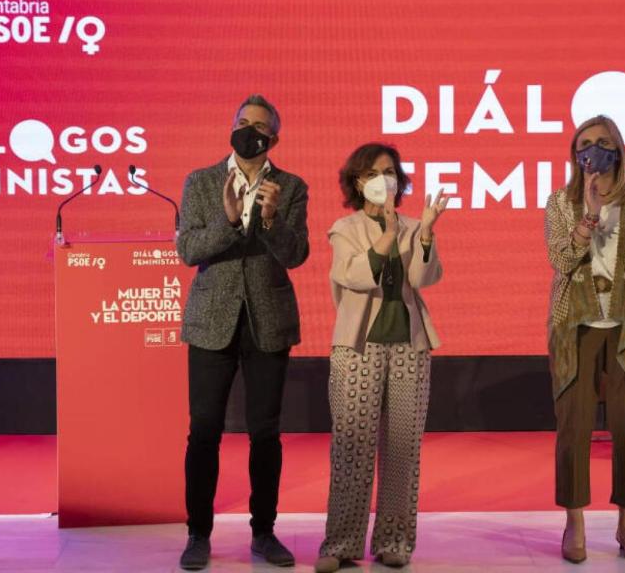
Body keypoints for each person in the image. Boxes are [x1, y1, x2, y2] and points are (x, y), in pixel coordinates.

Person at [176, 94, 309, 571]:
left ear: (273, 138)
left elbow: (296, 255)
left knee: (265, 433)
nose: (248, 129)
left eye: (259, 125)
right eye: (241, 122)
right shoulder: (202, 181)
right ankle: (197, 534)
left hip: (268, 322)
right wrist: (229, 220)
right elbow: (188, 249)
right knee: (204, 431)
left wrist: (271, 221)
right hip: (211, 320)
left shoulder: (290, 187)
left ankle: (265, 531)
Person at [314, 143, 448, 573]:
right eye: (372, 173)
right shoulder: (344, 227)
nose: (383, 179)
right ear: (357, 181)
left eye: (389, 171)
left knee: (402, 448)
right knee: (353, 446)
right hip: (358, 347)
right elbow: (352, 275)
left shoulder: (414, 226)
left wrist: (424, 233)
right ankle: (340, 543)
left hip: (409, 346)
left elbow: (423, 277)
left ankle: (394, 540)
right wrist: (388, 234)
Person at [545, 115, 625, 564]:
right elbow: (560, 258)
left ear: (618, 147)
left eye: (601, 142)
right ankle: (573, 523)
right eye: (583, 145)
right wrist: (588, 218)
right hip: (575, 329)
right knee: (573, 428)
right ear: (574, 156)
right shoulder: (561, 201)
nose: (592, 151)